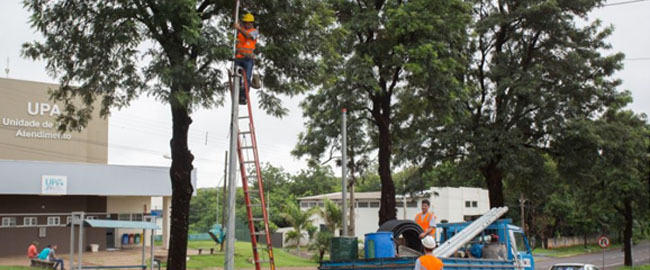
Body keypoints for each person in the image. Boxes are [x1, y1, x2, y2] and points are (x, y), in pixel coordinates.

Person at [233, 12, 259, 105]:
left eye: (249, 23)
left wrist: (239, 28)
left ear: (252, 23)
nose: (247, 24)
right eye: (246, 23)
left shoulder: (255, 32)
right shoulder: (239, 31)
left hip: (248, 59)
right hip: (238, 58)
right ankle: (238, 95)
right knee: (237, 79)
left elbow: (248, 36)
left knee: (246, 79)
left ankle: (244, 97)